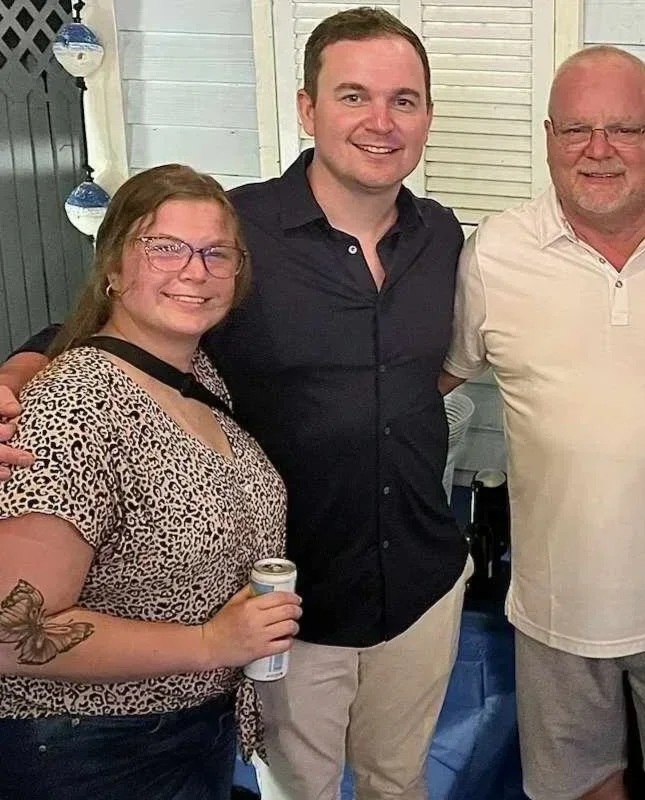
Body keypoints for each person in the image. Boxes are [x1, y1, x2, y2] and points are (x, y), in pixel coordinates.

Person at [0, 9, 469, 800]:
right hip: (281, 604)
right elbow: (121, 326)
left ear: (426, 115)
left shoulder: (444, 237)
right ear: (307, 108)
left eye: (405, 100)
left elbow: (438, 368)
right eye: (353, 96)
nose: (381, 122)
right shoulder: (232, 234)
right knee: (300, 791)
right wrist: (18, 371)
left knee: (403, 780)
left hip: (424, 579)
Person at [439, 46, 645, 800]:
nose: (598, 150)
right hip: (557, 604)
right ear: (548, 138)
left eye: (622, 128)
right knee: (581, 789)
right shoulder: (494, 254)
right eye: (576, 129)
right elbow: (431, 383)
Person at [0, 164, 300, 799]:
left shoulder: (194, 377)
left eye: (216, 252)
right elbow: (9, 632)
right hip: (93, 748)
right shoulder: (74, 406)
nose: (194, 270)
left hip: (187, 732)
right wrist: (210, 643)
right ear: (113, 266)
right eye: (164, 247)